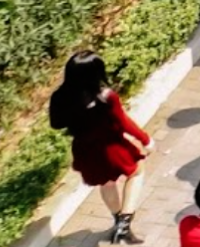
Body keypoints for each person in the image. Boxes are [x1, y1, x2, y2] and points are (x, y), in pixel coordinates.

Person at [49, 51, 151, 245]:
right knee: (137, 172)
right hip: (112, 147)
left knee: (107, 183)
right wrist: (146, 140)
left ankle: (117, 220)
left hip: (84, 150)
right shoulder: (106, 97)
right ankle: (124, 225)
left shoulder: (59, 97)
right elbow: (123, 123)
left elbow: (56, 123)